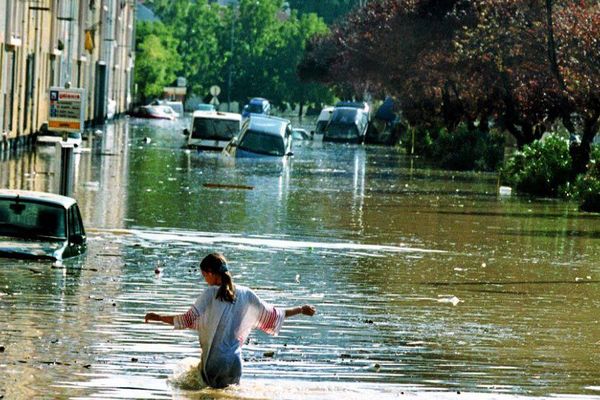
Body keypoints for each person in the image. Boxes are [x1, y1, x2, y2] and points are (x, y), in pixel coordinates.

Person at [144, 252, 316, 388]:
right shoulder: (245, 293)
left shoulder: (210, 294)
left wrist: (158, 317)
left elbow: (187, 319)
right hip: (235, 364)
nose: (205, 281)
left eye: (204, 276)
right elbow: (272, 314)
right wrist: (300, 309)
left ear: (210, 273)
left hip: (214, 364)